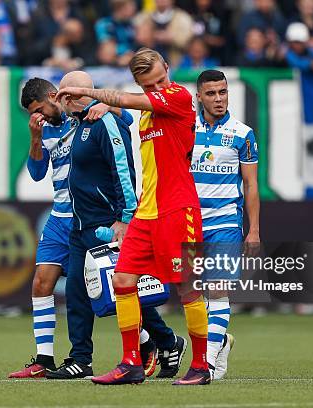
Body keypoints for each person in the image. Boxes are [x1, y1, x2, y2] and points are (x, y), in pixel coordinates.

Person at [9, 77, 182, 379]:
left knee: (112, 287)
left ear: (56, 96)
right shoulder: (48, 128)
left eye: (39, 109)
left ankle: (158, 341)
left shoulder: (86, 115)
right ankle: (51, 358)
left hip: (97, 216)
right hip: (66, 215)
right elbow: (37, 173)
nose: (38, 116)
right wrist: (35, 138)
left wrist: (106, 105)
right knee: (54, 284)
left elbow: (126, 118)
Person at [57, 48, 210, 385]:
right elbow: (128, 107)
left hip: (178, 209)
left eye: (160, 79)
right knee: (123, 280)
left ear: (168, 68)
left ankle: (201, 366)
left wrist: (88, 94)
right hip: (147, 211)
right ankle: (131, 363)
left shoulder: (179, 96)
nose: (158, 87)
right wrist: (106, 106)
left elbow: (125, 100)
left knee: (187, 288)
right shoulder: (148, 110)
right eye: (150, 86)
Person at [190, 69, 261, 379]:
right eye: (211, 93)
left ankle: (204, 363)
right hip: (189, 222)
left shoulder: (243, 133)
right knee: (195, 295)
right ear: (199, 97)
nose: (218, 99)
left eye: (223, 92)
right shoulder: (186, 129)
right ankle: (221, 344)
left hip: (225, 222)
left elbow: (251, 185)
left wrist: (254, 229)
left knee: (217, 290)